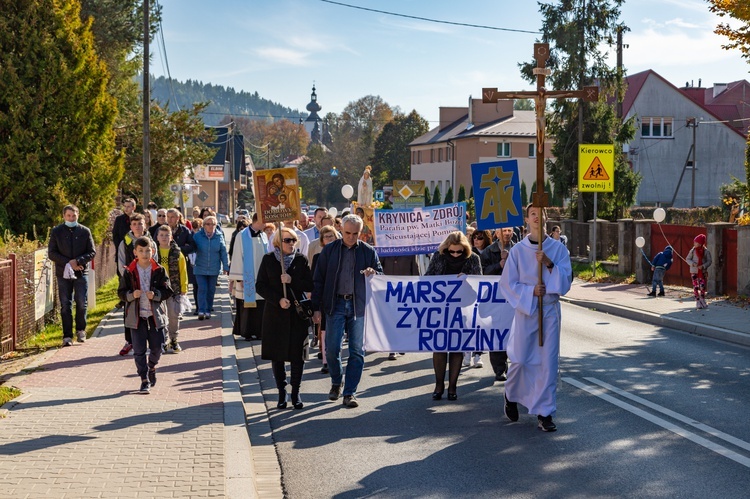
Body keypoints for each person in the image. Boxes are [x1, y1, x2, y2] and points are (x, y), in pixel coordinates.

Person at [499, 204, 572, 432]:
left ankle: (545, 412)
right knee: (520, 359)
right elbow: (508, 284)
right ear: (527, 220)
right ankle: (511, 395)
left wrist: (549, 264)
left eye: (540, 214)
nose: (537, 217)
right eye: (532, 214)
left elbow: (566, 280)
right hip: (526, 311)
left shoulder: (558, 249)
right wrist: (531, 291)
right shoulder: (518, 251)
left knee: (547, 364)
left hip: (549, 311)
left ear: (546, 218)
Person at [312, 214, 383, 408]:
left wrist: (374, 273)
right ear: (341, 230)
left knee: (356, 351)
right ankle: (337, 381)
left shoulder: (368, 251)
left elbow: (381, 274)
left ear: (361, 233)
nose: (351, 237)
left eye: (355, 233)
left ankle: (350, 392)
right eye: (347, 233)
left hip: (359, 306)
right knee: (332, 349)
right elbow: (318, 280)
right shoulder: (330, 251)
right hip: (335, 305)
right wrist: (316, 308)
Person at [256, 226, 314, 409]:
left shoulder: (301, 259)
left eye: (293, 240)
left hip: (297, 315)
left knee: (298, 356)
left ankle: (295, 392)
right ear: (277, 242)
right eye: (287, 240)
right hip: (276, 313)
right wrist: (278, 300)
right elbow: (260, 286)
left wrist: (291, 280)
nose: (291, 244)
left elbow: (309, 284)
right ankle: (282, 393)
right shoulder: (268, 260)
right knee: (278, 355)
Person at [424, 231, 482, 401]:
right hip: (440, 309)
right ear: (446, 248)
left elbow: (480, 283)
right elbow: (428, 278)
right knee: (440, 347)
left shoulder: (473, 259)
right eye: (452, 251)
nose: (456, 254)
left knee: (457, 348)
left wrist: (468, 279)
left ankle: (453, 386)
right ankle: (439, 384)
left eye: (459, 251)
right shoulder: (438, 256)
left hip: (462, 310)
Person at [118, 237, 173, 393]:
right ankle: (144, 379)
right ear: (135, 252)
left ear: (153, 251)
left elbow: (168, 291)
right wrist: (131, 294)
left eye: (148, 250)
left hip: (155, 316)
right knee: (139, 350)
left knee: (158, 347)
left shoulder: (159, 270)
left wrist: (155, 295)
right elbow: (121, 293)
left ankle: (152, 366)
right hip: (136, 318)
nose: (144, 253)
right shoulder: (129, 271)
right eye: (141, 251)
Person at [48, 205, 96, 347]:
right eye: (68, 216)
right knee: (65, 305)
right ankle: (67, 336)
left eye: (73, 215)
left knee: (81, 302)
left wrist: (78, 261)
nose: (71, 218)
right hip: (63, 274)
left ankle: (81, 330)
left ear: (78, 215)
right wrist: (69, 262)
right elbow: (52, 253)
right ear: (64, 216)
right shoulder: (57, 231)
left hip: (81, 273)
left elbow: (92, 252)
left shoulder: (85, 231)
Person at [117, 213, 157, 355]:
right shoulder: (125, 242)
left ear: (145, 225)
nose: (137, 227)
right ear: (130, 226)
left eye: (140, 224)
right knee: (130, 311)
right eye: (134, 224)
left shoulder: (150, 241)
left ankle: (152, 342)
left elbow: (155, 262)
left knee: (149, 311)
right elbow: (121, 262)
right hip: (131, 282)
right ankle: (130, 341)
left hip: (147, 281)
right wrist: (127, 278)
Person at [481, 227, 515, 381]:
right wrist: (499, 265)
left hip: (514, 300)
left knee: (514, 333)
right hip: (495, 300)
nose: (507, 233)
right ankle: (499, 369)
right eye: (504, 230)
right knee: (497, 333)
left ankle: (513, 366)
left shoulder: (519, 249)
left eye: (509, 230)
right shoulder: (489, 251)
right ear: (496, 233)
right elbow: (482, 273)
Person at [229, 214, 270, 340]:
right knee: (248, 306)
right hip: (247, 277)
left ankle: (259, 331)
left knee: (261, 304)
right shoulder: (242, 235)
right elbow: (236, 255)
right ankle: (247, 332)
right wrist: (240, 278)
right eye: (264, 222)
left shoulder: (263, 235)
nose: (266, 225)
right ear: (257, 221)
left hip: (261, 277)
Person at [310, 225, 339, 373]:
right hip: (323, 297)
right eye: (326, 237)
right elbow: (315, 280)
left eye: (331, 236)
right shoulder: (317, 257)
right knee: (324, 329)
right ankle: (326, 361)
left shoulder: (342, 254)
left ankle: (335, 357)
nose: (329, 239)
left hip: (339, 297)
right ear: (322, 240)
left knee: (337, 330)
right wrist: (314, 302)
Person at [380, 254, 420, 361]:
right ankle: (392, 348)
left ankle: (402, 343)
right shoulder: (384, 251)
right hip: (388, 289)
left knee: (403, 318)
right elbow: (378, 268)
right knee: (391, 319)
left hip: (405, 289)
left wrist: (417, 288)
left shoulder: (409, 251)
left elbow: (415, 270)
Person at [156, 225, 188, 353]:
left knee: (173, 316)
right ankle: (162, 340)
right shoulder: (153, 252)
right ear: (157, 237)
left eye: (167, 235)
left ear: (171, 237)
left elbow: (183, 271)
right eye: (161, 235)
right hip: (158, 290)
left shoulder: (177, 252)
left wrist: (183, 288)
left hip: (173, 290)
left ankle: (174, 339)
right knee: (160, 317)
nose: (164, 238)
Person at [193, 215, 229, 320]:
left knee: (211, 290)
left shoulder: (219, 236)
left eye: (213, 224)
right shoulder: (197, 236)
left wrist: (225, 266)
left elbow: (223, 252)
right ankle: (201, 310)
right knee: (202, 289)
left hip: (214, 268)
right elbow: (192, 249)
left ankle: (208, 310)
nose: (210, 226)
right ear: (203, 225)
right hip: (200, 268)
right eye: (208, 224)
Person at [686, 234, 712, 309]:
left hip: (702, 271)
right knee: (695, 286)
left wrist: (703, 266)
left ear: (700, 243)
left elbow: (709, 261)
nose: (694, 243)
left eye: (696, 242)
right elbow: (687, 259)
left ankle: (702, 299)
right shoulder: (693, 250)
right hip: (694, 271)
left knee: (702, 286)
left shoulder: (706, 251)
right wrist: (692, 264)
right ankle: (697, 301)